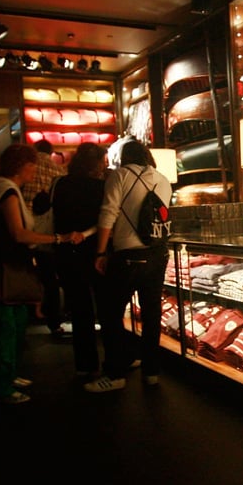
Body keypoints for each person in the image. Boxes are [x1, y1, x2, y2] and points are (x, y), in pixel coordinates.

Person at [0, 143, 83, 404]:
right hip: (2, 267)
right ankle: (3, 386)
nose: (36, 170)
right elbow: (19, 234)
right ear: (23, 166)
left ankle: (9, 376)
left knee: (16, 320)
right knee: (6, 325)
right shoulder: (7, 193)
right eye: (33, 165)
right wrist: (58, 237)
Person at [88, 139, 172, 393]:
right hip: (158, 254)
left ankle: (115, 374)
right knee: (151, 315)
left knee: (111, 314)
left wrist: (101, 251)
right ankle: (151, 372)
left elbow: (108, 214)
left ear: (124, 157)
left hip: (128, 255)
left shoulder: (120, 176)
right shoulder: (162, 178)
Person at [52, 142, 108, 378]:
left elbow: (55, 216)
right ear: (96, 164)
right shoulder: (102, 187)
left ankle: (86, 365)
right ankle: (115, 358)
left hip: (66, 251)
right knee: (106, 308)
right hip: (96, 253)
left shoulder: (61, 184)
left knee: (80, 310)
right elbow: (107, 219)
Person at [22, 139, 67, 335]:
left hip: (29, 227)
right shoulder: (59, 171)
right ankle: (56, 319)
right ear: (51, 152)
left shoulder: (26, 169)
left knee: (35, 275)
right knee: (56, 278)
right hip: (53, 230)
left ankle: (33, 310)